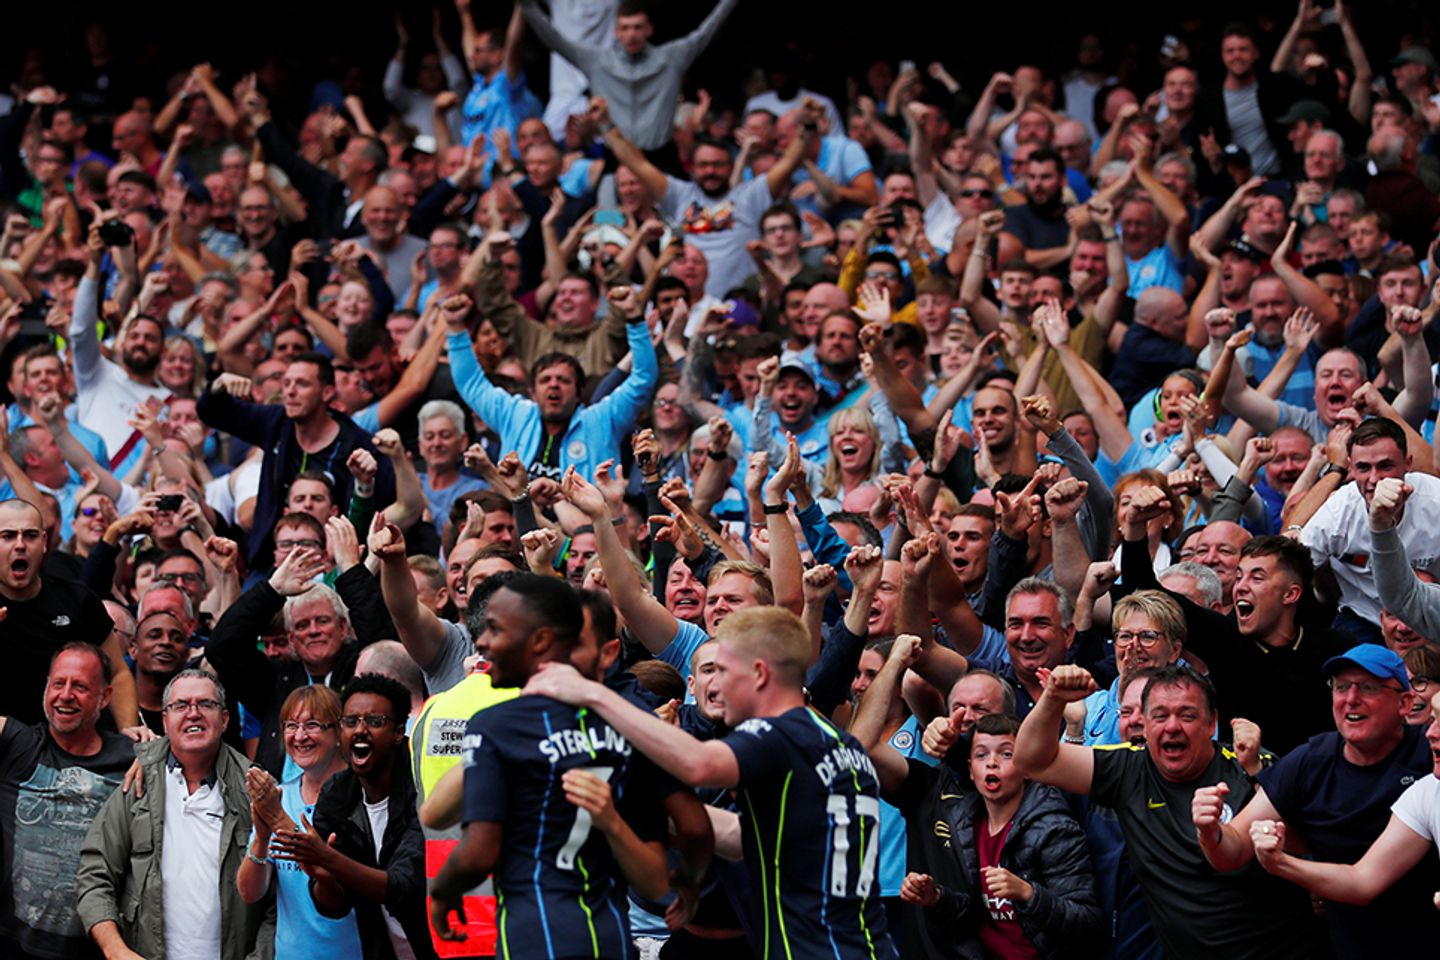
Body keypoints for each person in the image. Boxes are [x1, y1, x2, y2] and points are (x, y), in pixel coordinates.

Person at [519, 605, 897, 959]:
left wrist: (593, 694)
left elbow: (698, 765)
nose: (714, 687)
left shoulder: (780, 733)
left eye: (724, 672)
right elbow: (740, 836)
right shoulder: (836, 742)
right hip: (864, 945)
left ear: (760, 674)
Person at [429, 575, 679, 957]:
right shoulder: (631, 724)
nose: (482, 642)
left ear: (539, 641)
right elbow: (661, 872)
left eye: (497, 630)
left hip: (536, 937)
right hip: (611, 936)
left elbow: (464, 839)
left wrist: (442, 892)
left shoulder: (499, 725)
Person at [1014, 664, 1323, 959]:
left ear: (1212, 723)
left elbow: (1314, 843)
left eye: (1186, 715)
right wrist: (1053, 699)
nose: (1172, 726)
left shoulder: (1248, 767)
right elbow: (1031, 760)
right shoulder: (1127, 768)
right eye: (1160, 716)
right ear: (1145, 725)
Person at [1191, 643, 1440, 956]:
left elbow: (1363, 882)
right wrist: (1209, 830)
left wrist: (1282, 863)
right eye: (1341, 687)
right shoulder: (1309, 763)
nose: (1351, 698)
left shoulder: (1431, 757)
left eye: (1368, 687)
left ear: (1404, 703)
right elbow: (1233, 849)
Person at [76, 669, 260, 960]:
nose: (193, 713)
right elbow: (95, 874)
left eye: (206, 704)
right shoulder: (137, 782)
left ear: (224, 720)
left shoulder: (255, 790)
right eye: (181, 705)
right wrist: (115, 949)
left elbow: (280, 902)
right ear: (165, 720)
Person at [899, 713, 1101, 959]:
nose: (992, 763)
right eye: (981, 755)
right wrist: (936, 897)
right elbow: (976, 911)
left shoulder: (1054, 829)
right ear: (971, 771)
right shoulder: (967, 822)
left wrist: (1028, 893)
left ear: (1027, 768)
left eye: (1006, 754)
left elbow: (1087, 922)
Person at [270, 674, 435, 960]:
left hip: (440, 943)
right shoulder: (337, 794)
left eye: (374, 721)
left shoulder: (422, 786)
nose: (359, 730)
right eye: (350, 721)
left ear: (399, 733)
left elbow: (403, 887)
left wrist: (328, 859)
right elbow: (334, 906)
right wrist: (325, 879)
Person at [1246, 688, 1440, 911]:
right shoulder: (1423, 794)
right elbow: (1362, 881)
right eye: (1432, 721)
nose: (1430, 733)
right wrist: (1280, 862)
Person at [0, 643, 135, 960]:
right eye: (58, 683)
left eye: (81, 686)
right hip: (12, 945)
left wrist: (154, 753)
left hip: (95, 947)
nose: (66, 695)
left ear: (104, 697)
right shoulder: (17, 744)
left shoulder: (130, 758)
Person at [445, 289, 657, 483]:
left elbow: (643, 377)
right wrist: (455, 328)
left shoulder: (603, 419)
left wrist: (634, 317)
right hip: (518, 521)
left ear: (578, 393)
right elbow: (471, 383)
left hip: (586, 523)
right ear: (532, 392)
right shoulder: (514, 414)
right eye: (545, 380)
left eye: (564, 380)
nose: (553, 385)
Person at [237, 685, 360, 959]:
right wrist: (260, 837)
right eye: (291, 726)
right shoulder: (280, 795)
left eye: (313, 725)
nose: (300, 736)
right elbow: (249, 893)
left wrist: (276, 818)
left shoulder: (359, 795)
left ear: (338, 733)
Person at [520, 0, 739, 152]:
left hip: (660, 157)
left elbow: (707, 31)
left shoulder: (672, 58)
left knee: (672, 219)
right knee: (606, 218)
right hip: (615, 159)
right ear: (616, 31)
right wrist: (527, 5)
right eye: (625, 28)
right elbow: (554, 39)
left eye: (637, 27)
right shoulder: (596, 61)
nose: (631, 34)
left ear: (649, 29)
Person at [0, 498, 137, 732]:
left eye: (30, 536)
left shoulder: (77, 600)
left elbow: (116, 673)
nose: (20, 545)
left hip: (71, 746)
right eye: (8, 536)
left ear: (44, 542)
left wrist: (129, 734)